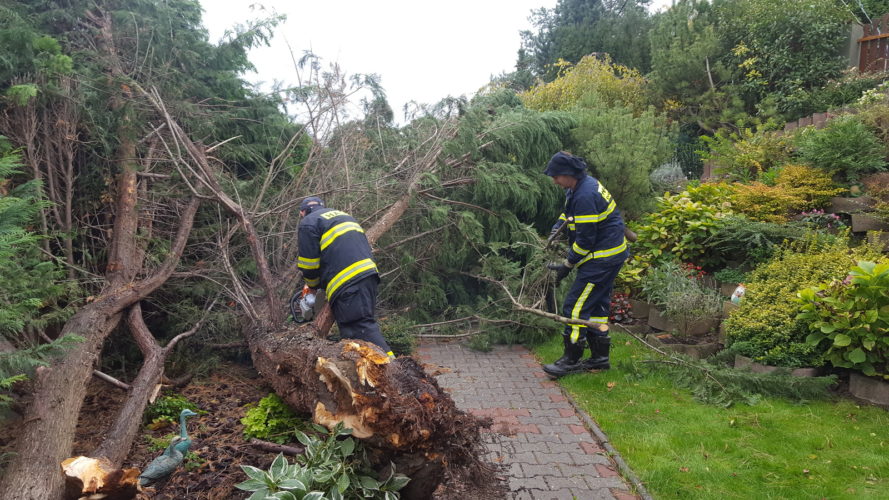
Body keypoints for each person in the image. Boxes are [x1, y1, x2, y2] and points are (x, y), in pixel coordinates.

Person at [541, 152, 628, 378]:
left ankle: (570, 359)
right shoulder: (579, 187)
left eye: (556, 176)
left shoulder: (586, 195)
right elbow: (570, 214)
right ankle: (600, 358)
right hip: (610, 254)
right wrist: (557, 227)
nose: (554, 181)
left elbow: (585, 241)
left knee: (575, 307)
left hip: (602, 259)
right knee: (597, 305)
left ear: (569, 175)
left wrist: (567, 265)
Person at [296, 196, 394, 356]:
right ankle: (370, 376)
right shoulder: (343, 216)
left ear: (302, 212)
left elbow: (309, 264)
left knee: (360, 327)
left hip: (348, 281)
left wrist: (312, 290)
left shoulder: (308, 223)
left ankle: (395, 371)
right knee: (351, 333)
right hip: (368, 274)